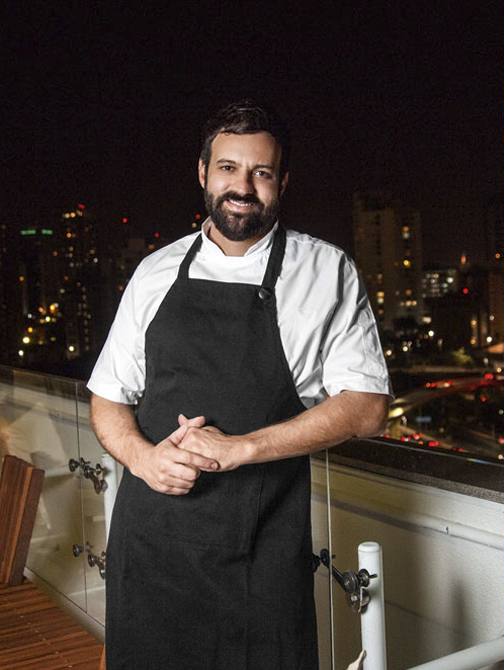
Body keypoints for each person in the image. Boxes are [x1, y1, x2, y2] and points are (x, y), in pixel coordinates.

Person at [87, 101, 391, 669]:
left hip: (262, 545)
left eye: (261, 172)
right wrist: (144, 459)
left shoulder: (326, 271)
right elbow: (108, 397)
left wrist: (242, 448)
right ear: (202, 173)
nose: (242, 187)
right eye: (228, 168)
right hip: (151, 542)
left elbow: (368, 407)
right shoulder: (155, 271)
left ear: (282, 182)